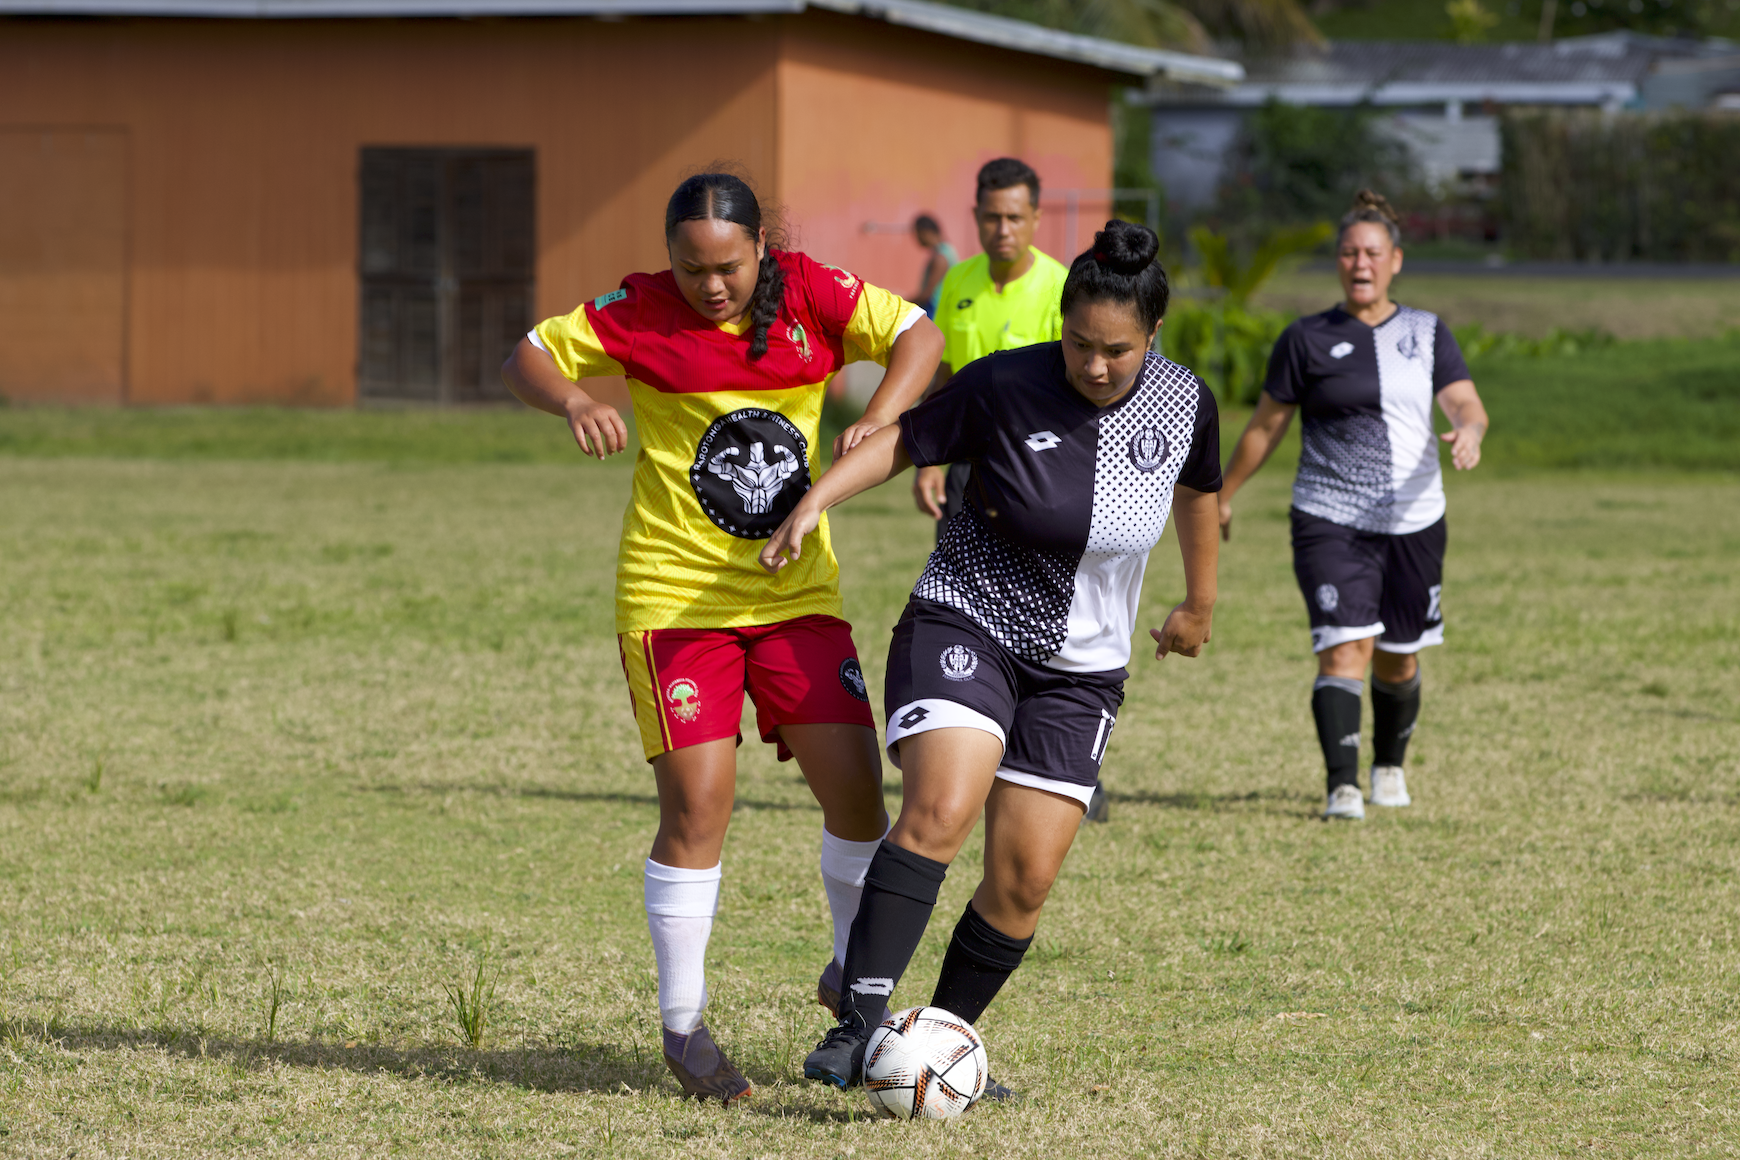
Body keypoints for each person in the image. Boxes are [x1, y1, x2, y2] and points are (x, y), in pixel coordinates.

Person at [500, 172, 944, 1102]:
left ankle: (849, 987)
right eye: (692, 267)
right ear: (670, 257)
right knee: (700, 811)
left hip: (794, 594)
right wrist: (576, 401)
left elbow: (919, 334)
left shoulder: (811, 292)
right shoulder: (638, 309)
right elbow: (531, 354)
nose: (711, 287)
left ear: (759, 251)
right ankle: (684, 1029)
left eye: (729, 268)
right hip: (675, 603)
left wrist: (883, 410)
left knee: (860, 801)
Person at [759, 220, 1222, 1096]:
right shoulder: (1006, 383)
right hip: (968, 622)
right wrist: (820, 499)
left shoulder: (1183, 403)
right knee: (941, 806)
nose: (1094, 365)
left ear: (1153, 336)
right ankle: (858, 1022)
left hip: (1082, 669)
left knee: (1023, 881)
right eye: (1079, 343)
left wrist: (1199, 603)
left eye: (1116, 352)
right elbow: (906, 442)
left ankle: (938, 1043)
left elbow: (1201, 493)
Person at [1216, 189, 1490, 821]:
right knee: (1344, 646)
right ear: (1337, 263)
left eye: (1371, 252)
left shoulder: (1426, 333)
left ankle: (1388, 767)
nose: (1359, 263)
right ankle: (1341, 785)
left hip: (1414, 519)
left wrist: (1469, 431)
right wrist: (1224, 494)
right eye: (1347, 252)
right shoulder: (1306, 338)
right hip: (1329, 515)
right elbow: (1265, 427)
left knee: (1399, 655)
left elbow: (1462, 401)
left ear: (1396, 259)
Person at [912, 159, 1119, 824]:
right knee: (969, 601)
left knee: (1058, 612)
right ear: (975, 218)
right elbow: (945, 375)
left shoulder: (1064, 290)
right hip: (973, 472)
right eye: (991, 217)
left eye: (1014, 217)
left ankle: (1069, 765)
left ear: (1036, 220)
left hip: (1046, 476)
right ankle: (974, 742)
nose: (1002, 229)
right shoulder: (958, 282)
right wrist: (930, 460)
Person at [910, 214, 958, 319]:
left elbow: (927, 294)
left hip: (936, 310)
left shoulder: (940, 257)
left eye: (918, 233)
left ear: (926, 232)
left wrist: (903, 303)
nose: (917, 238)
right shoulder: (947, 251)